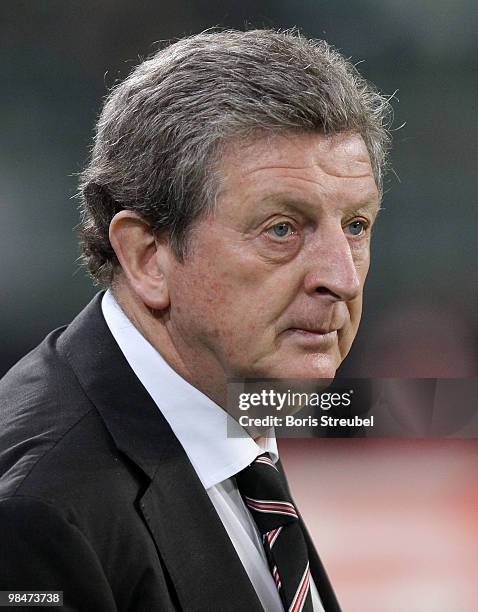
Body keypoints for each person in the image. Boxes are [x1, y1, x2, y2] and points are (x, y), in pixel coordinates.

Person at [0, 29, 391, 611]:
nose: (343, 277)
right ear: (147, 257)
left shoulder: (236, 412)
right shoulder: (37, 514)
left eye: (355, 226)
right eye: (281, 228)